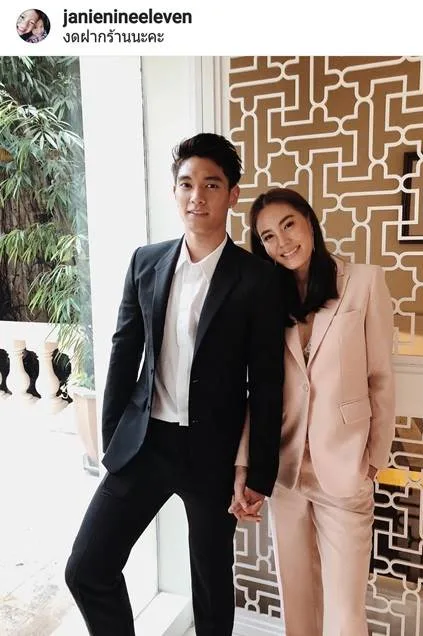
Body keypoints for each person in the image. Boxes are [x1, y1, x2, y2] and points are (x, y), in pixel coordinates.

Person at [65, 133, 285, 636]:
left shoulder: (257, 279)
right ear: (174, 191)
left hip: (213, 454)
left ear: (232, 195)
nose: (196, 196)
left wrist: (257, 472)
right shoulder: (146, 262)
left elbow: (266, 383)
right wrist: (113, 438)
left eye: (211, 184)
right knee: (87, 568)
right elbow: (123, 353)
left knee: (210, 585)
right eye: (186, 184)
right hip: (146, 444)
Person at [230, 187, 395, 636]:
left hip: (344, 469)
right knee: (297, 604)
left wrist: (373, 461)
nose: (282, 242)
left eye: (288, 225)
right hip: (286, 473)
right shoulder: (268, 299)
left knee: (345, 612)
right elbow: (257, 390)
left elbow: (381, 377)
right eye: (268, 236)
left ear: (309, 220)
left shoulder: (363, 282)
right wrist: (246, 464)